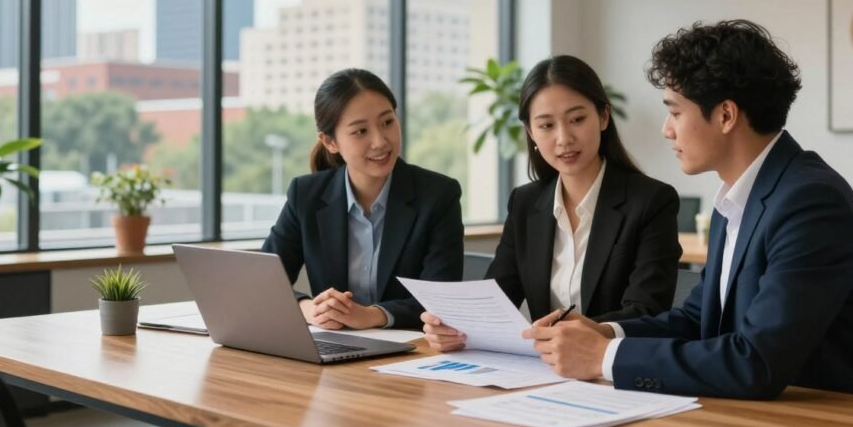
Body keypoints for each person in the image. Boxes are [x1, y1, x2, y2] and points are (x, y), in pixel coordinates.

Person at [523, 20, 853, 400]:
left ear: (725, 115)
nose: (666, 130)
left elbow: (755, 361)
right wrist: (604, 333)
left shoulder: (810, 202)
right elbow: (696, 320)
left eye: (675, 112)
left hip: (836, 424)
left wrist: (604, 357)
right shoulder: (738, 197)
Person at [422, 55, 682, 352]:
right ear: (531, 133)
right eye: (546, 125)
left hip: (614, 367)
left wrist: (584, 333)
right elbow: (495, 300)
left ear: (603, 117)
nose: (564, 138)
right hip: (545, 372)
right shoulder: (525, 203)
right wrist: (455, 328)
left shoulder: (651, 202)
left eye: (577, 120)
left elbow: (646, 311)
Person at [262, 69, 464, 330]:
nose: (380, 141)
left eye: (387, 122)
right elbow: (265, 282)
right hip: (335, 348)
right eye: (360, 131)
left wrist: (373, 315)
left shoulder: (438, 195)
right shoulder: (305, 195)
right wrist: (308, 308)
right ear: (330, 142)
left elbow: (442, 299)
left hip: (410, 353)